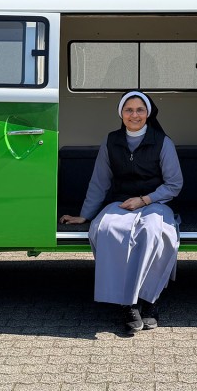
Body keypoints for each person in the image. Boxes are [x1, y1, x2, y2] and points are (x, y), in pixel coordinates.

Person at [59, 91, 183, 335]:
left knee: (153, 233)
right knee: (107, 230)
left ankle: (149, 301)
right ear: (121, 114)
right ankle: (128, 303)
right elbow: (99, 181)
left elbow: (174, 184)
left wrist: (144, 200)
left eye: (139, 110)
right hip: (120, 202)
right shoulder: (111, 141)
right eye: (129, 110)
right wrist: (85, 215)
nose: (134, 115)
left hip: (155, 203)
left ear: (148, 113)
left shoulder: (162, 141)